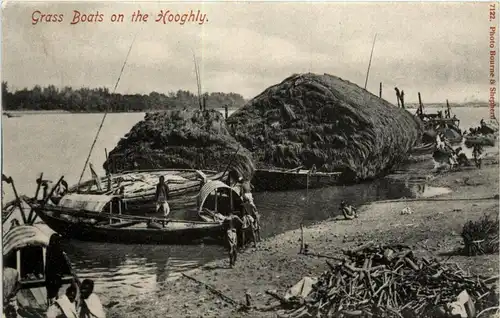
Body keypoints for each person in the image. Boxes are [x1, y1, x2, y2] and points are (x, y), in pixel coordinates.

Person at [45, 234, 73, 305]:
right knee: (55, 291)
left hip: (49, 276)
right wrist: (69, 272)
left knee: (51, 293)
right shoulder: (58, 250)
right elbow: (63, 263)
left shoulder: (49, 249)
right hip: (56, 276)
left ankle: (51, 303)